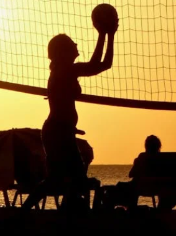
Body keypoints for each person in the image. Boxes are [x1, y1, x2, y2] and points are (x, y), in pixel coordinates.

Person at [23, 25, 116, 210]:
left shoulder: (65, 70)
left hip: (61, 130)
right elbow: (95, 64)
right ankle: (24, 211)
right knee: (62, 180)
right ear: (63, 51)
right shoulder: (66, 71)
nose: (76, 44)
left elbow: (103, 65)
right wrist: (104, 33)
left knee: (68, 180)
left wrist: (109, 35)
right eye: (72, 43)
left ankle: (63, 210)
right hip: (57, 131)